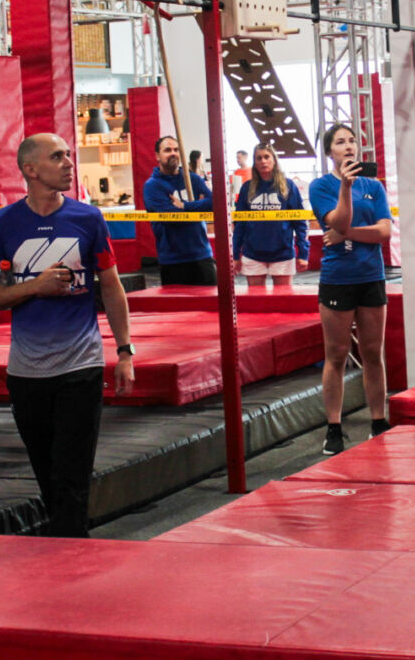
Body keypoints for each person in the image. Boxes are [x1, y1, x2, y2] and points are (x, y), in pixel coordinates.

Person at [0, 133, 134, 537]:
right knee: (47, 474)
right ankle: (63, 550)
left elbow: (111, 287)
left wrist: (125, 351)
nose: (68, 162)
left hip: (79, 365)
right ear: (30, 169)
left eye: (68, 155)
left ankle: (72, 553)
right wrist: (34, 287)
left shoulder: (87, 218)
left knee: (71, 475)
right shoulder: (3, 224)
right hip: (27, 372)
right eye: (57, 156)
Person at [309, 124, 393, 455]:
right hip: (338, 279)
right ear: (330, 151)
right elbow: (338, 221)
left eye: (352, 141)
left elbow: (384, 231)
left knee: (373, 352)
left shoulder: (374, 186)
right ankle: (333, 427)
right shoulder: (322, 186)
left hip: (371, 276)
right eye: (340, 142)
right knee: (337, 354)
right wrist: (345, 188)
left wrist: (347, 235)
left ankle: (378, 421)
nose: (348, 146)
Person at [143, 136, 216, 286]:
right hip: (173, 260)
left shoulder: (193, 179)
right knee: (179, 309)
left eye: (176, 150)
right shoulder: (152, 186)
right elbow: (172, 217)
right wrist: (199, 206)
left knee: (211, 307)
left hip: (202, 255)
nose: (173, 153)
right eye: (167, 150)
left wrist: (186, 206)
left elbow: (215, 203)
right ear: (157, 155)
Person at [232, 144, 308, 287]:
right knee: (255, 303)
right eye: (259, 158)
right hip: (252, 253)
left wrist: (303, 253)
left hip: (282, 252)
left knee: (283, 302)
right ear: (254, 162)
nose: (263, 161)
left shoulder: (288, 185)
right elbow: (239, 224)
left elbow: (300, 221)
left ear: (274, 160)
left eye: (267, 157)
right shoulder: (247, 188)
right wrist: (235, 255)